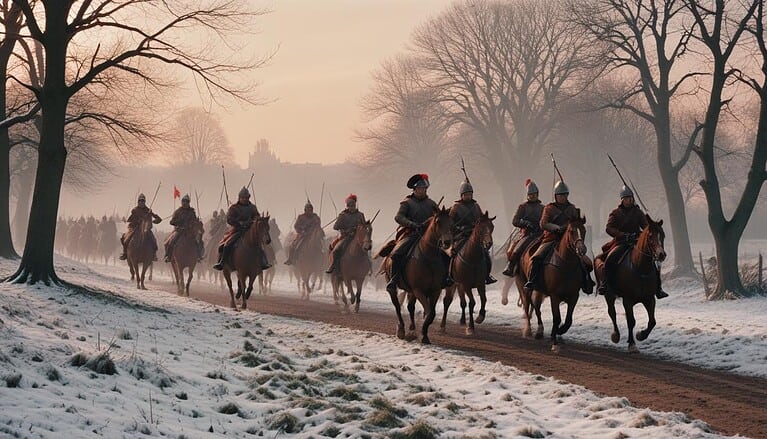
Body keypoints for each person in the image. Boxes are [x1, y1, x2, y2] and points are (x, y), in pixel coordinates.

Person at [596, 185, 668, 299]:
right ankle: (605, 284)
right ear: (622, 200)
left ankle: (658, 288)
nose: (629, 200)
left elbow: (646, 227)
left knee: (654, 263)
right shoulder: (615, 213)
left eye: (630, 198)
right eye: (626, 198)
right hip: (621, 242)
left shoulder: (638, 212)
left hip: (636, 242)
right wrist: (623, 235)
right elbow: (609, 228)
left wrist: (643, 232)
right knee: (610, 259)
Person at [386, 173, 453, 294]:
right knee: (397, 253)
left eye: (424, 188)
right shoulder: (406, 203)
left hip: (429, 235)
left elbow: (437, 219)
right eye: (420, 188)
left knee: (445, 256)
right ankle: (394, 280)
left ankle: (446, 278)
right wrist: (412, 224)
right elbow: (398, 217)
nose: (423, 191)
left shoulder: (432, 204)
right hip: (411, 233)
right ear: (415, 189)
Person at [524, 181, 595, 294]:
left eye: (565, 195)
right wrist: (556, 228)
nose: (563, 197)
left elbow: (578, 226)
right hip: (551, 238)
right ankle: (532, 281)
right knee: (536, 258)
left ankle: (587, 282)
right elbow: (543, 223)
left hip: (570, 240)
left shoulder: (572, 208)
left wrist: (579, 238)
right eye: (561, 195)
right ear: (556, 196)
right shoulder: (549, 208)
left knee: (587, 262)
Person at [449, 179, 496, 284]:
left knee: (485, 255)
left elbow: (482, 220)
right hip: (461, 236)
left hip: (474, 236)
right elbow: (450, 224)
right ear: (461, 195)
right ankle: (449, 276)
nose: (468, 196)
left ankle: (487, 275)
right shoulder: (455, 207)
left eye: (470, 194)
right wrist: (460, 228)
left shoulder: (476, 206)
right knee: (454, 253)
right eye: (466, 194)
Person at [213, 187, 271, 271]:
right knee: (227, 244)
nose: (244, 199)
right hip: (237, 230)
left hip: (250, 231)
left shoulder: (252, 208)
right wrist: (239, 223)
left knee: (259, 245)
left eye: (246, 197)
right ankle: (222, 262)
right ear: (239, 197)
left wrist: (253, 222)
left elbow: (257, 217)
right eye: (243, 197)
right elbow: (229, 219)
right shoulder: (233, 208)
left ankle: (263, 262)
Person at [503, 179, 544, 277]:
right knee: (517, 249)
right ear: (527, 195)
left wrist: (541, 224)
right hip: (527, 234)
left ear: (537, 194)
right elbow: (515, 221)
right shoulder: (522, 207)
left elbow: (546, 220)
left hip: (541, 234)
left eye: (534, 194)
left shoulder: (543, 207)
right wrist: (526, 223)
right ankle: (510, 266)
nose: (532, 196)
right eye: (530, 194)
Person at [326, 194, 367, 274]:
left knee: (366, 248)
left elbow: (364, 226)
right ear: (347, 206)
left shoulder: (360, 215)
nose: (352, 207)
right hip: (345, 236)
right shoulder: (343, 215)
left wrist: (364, 227)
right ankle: (333, 265)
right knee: (336, 250)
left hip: (357, 237)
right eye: (350, 206)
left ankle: (367, 267)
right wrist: (345, 230)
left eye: (353, 205)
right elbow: (336, 227)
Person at [119, 194, 162, 261]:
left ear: (145, 202)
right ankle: (125, 253)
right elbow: (130, 220)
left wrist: (156, 220)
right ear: (138, 202)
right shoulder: (135, 210)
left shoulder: (148, 210)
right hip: (136, 229)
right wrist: (137, 221)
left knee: (153, 240)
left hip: (146, 230)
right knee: (124, 238)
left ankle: (154, 255)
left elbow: (158, 219)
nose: (141, 203)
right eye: (140, 201)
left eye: (143, 201)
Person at [164, 194, 204, 262]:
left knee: (198, 242)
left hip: (189, 231)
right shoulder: (178, 212)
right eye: (184, 201)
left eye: (186, 201)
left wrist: (195, 223)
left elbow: (194, 221)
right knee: (171, 242)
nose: (185, 203)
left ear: (189, 203)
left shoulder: (192, 212)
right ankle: (168, 256)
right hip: (179, 230)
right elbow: (172, 222)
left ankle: (198, 256)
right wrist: (179, 221)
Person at [284, 201, 322, 265]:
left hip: (313, 235)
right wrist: (302, 231)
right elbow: (296, 226)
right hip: (303, 235)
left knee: (322, 247)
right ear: (305, 210)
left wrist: (316, 230)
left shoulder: (316, 217)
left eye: (311, 209)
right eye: (308, 209)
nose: (309, 211)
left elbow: (318, 226)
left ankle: (321, 262)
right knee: (293, 245)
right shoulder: (301, 217)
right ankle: (291, 259)